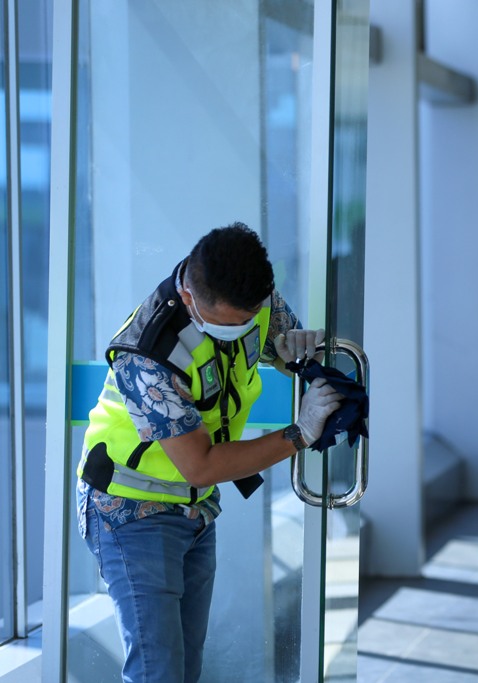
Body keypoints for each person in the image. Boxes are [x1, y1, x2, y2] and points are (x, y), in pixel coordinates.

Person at [76, 223, 344, 683]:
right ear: (191, 298)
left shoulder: (253, 299)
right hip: (129, 510)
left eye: (251, 316)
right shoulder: (147, 355)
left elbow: (281, 343)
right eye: (228, 323)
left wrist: (292, 355)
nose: (242, 329)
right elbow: (200, 465)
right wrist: (299, 434)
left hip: (194, 510)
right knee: (158, 673)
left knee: (184, 670)